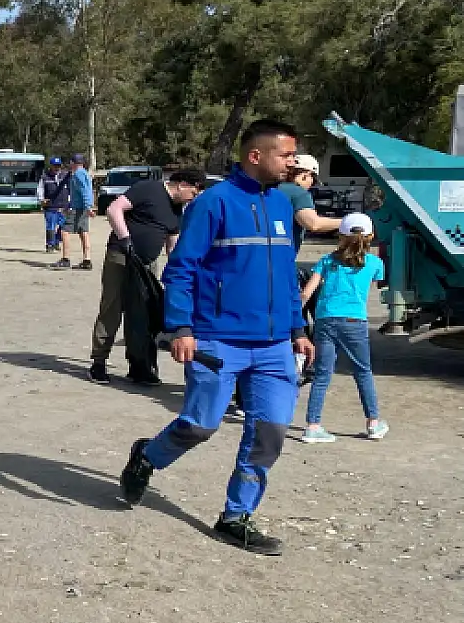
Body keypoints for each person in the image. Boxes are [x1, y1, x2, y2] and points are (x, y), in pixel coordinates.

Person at [119, 120, 314, 555]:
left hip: (273, 345)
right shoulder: (213, 204)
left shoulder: (282, 205)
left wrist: (298, 328)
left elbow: (284, 275)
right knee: (202, 425)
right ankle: (148, 456)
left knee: (269, 431)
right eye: (286, 155)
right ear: (255, 155)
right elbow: (182, 268)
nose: (293, 162)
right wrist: (180, 328)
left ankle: (236, 517)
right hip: (217, 340)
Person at [89, 168, 206, 385]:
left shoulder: (177, 210)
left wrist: (177, 270)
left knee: (143, 315)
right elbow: (115, 209)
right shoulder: (148, 188)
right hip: (121, 257)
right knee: (112, 308)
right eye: (194, 192)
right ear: (181, 185)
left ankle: (140, 366)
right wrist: (125, 239)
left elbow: (173, 243)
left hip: (148, 264)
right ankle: (98, 362)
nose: (194, 197)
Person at [298, 213, 388, 444]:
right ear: (371, 236)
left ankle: (312, 425)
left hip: (325, 319)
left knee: (322, 374)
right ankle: (374, 422)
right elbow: (374, 283)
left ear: (340, 235)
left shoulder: (327, 261)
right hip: (354, 321)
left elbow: (307, 292)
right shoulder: (375, 263)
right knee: (362, 371)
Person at [278, 154, 341, 241]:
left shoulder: (273, 188)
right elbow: (313, 224)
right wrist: (346, 221)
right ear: (306, 175)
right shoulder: (299, 193)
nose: (312, 184)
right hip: (282, 249)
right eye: (314, 180)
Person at [55, 154, 93, 269]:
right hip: (81, 207)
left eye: (71, 163)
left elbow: (84, 191)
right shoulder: (85, 173)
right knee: (83, 232)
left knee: (64, 231)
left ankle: (66, 259)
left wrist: (88, 207)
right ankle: (87, 260)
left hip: (79, 208)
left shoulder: (77, 175)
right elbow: (83, 192)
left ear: (73, 163)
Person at [40, 157, 69, 251]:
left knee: (63, 225)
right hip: (50, 206)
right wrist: (41, 199)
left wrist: (70, 201)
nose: (57, 168)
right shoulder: (45, 177)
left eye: (59, 166)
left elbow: (71, 189)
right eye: (55, 166)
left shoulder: (65, 176)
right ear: (51, 166)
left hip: (64, 206)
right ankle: (50, 244)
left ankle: (57, 241)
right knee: (50, 225)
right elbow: (40, 189)